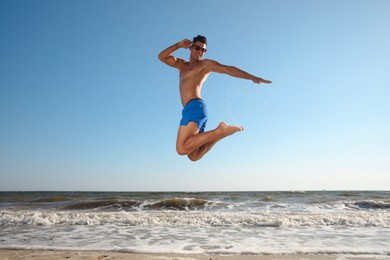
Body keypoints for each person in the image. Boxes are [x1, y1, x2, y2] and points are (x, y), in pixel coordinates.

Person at [158, 35, 272, 161]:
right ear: (190, 47)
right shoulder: (181, 65)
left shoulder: (205, 65)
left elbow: (228, 69)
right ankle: (220, 133)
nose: (200, 51)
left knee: (181, 148)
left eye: (203, 50)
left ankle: (220, 131)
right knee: (194, 155)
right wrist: (178, 45)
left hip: (196, 107)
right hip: (189, 109)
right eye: (197, 48)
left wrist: (252, 77)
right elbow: (161, 57)